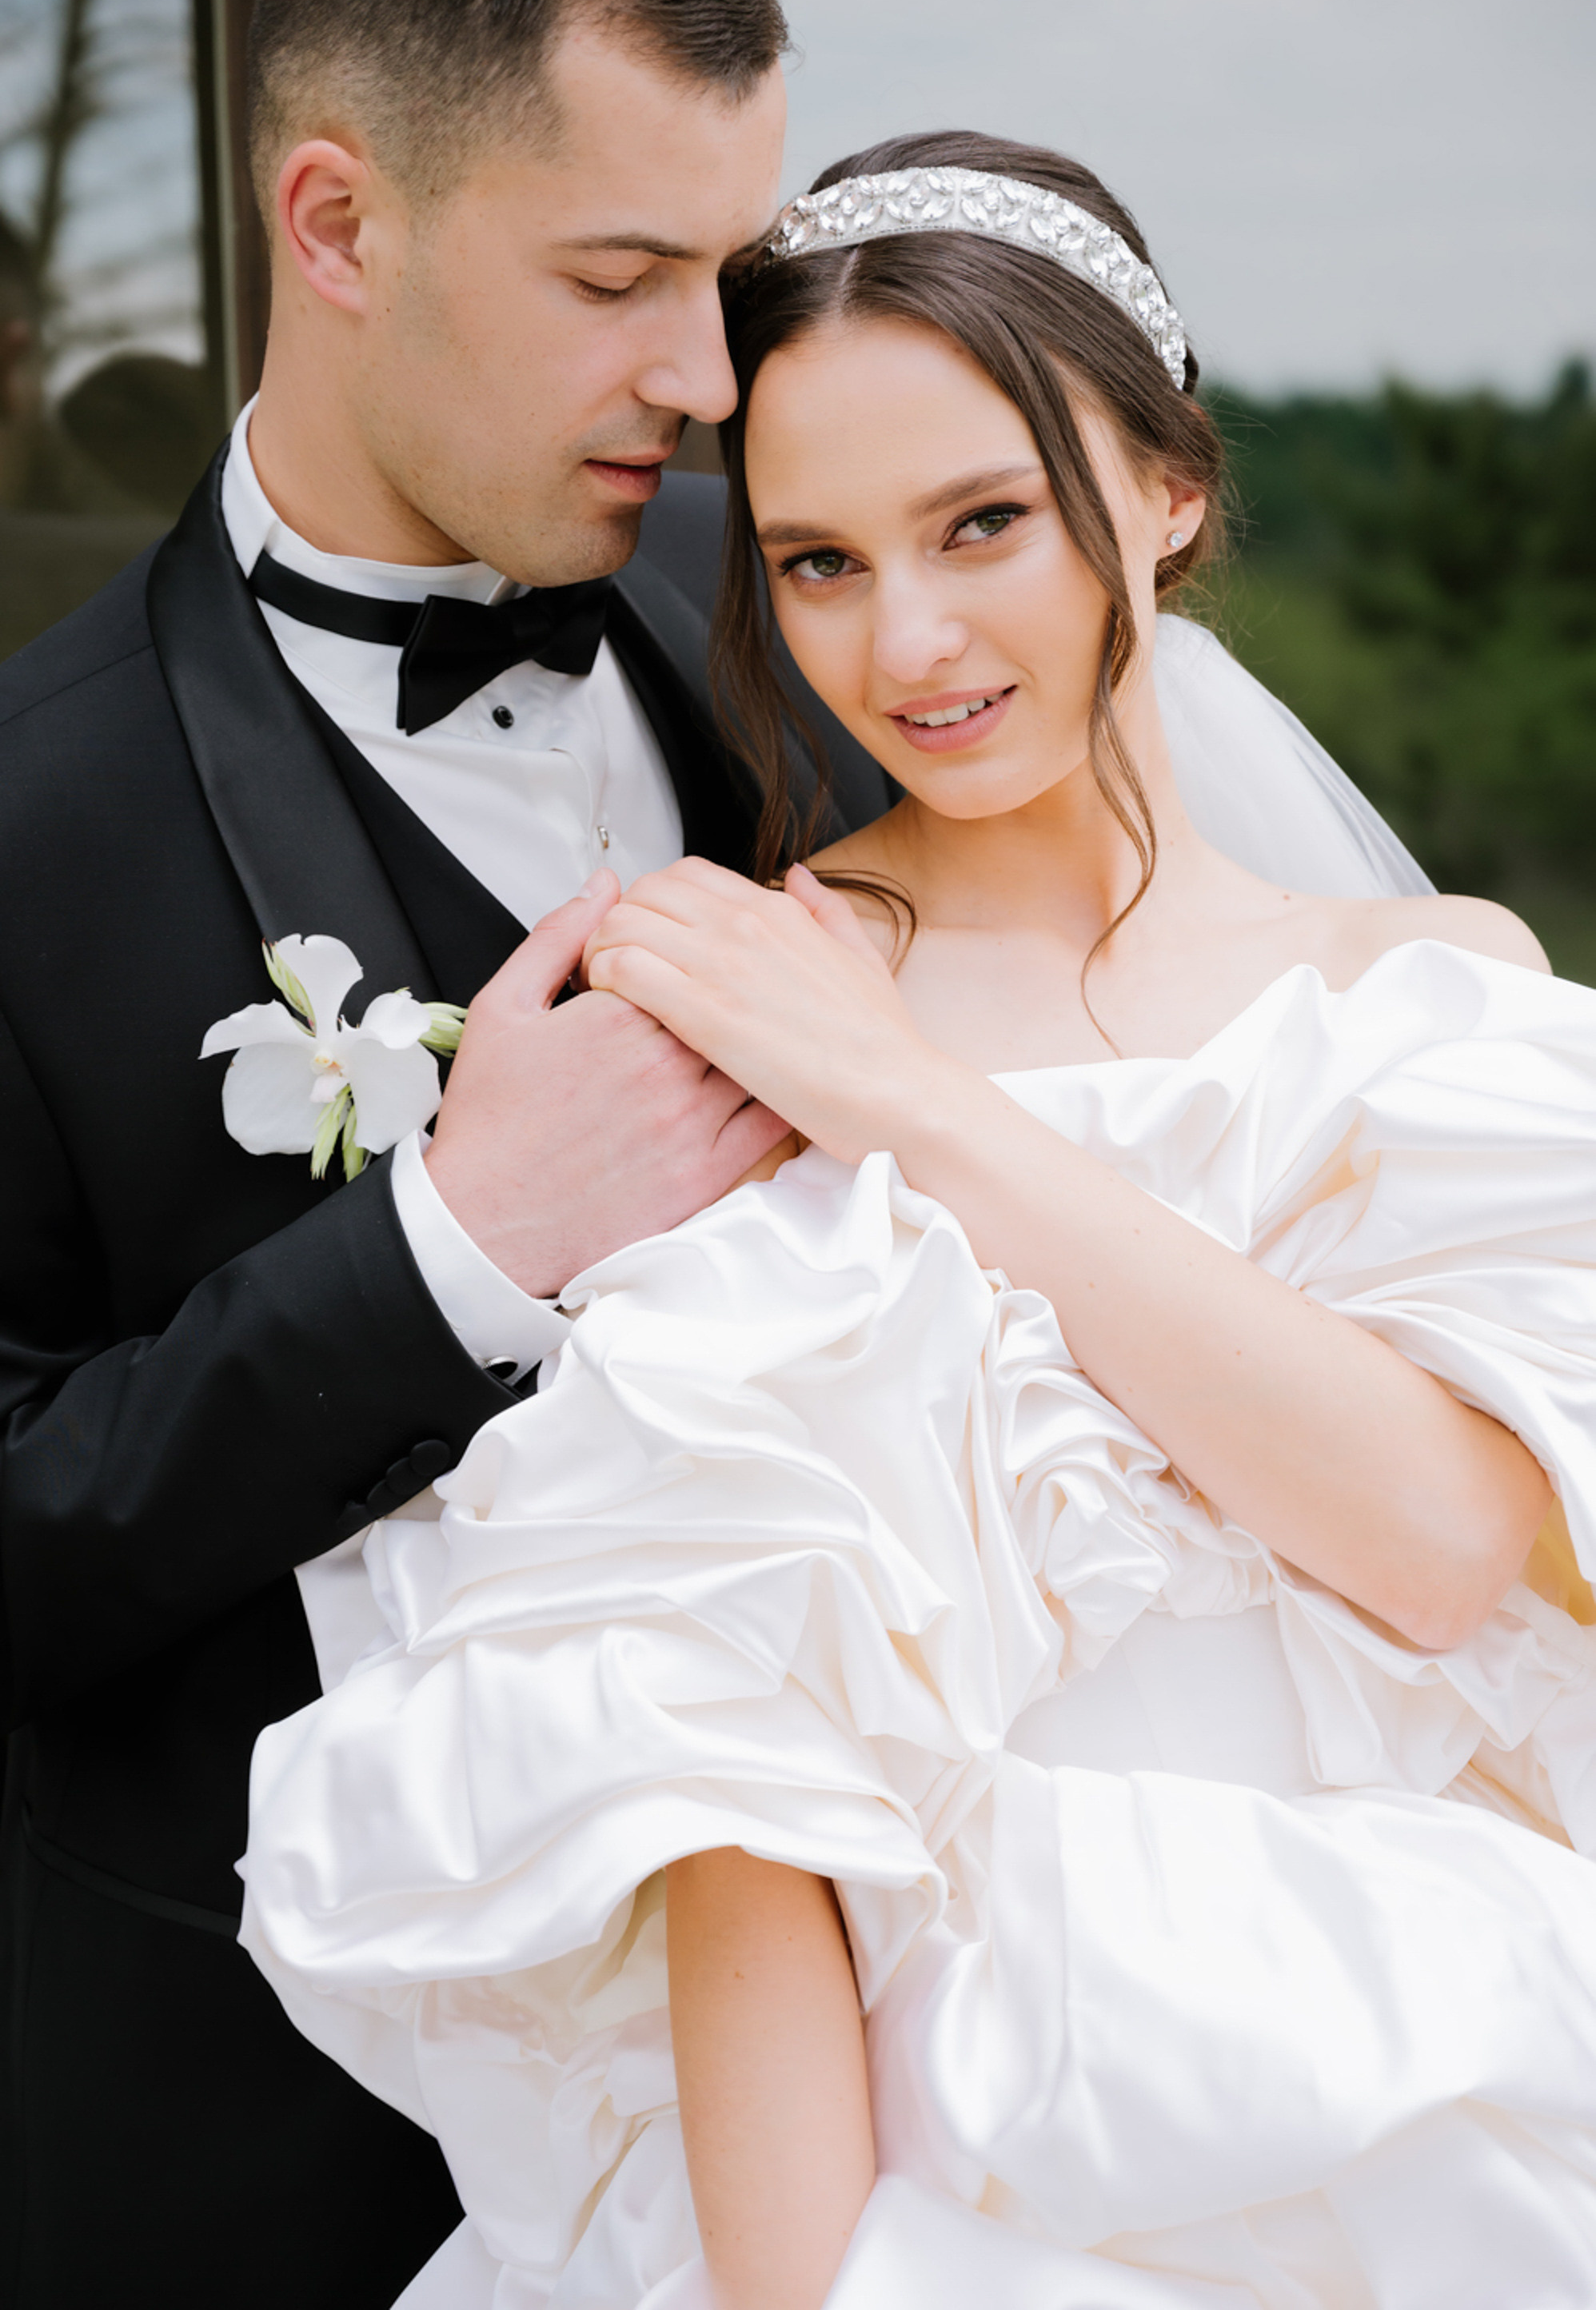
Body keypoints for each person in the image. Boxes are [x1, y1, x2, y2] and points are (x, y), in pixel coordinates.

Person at [242, 131, 1596, 2310]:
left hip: (1431, 2077)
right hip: (925, 2148)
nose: (910, 642)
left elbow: (1443, 1547)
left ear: (1166, 490)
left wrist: (905, 1106)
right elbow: (714, 1764)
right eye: (818, 561)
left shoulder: (1426, 997)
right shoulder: (726, 1006)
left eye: (982, 523)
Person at [0, 0, 892, 2304]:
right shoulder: (27, 823)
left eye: (729, 277)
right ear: (335, 224)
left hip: (882, 2106)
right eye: (618, 278)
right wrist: (442, 1255)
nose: (708, 379)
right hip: (286, 2165)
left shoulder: (827, 603)